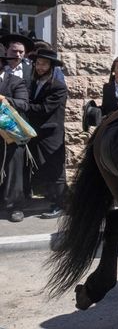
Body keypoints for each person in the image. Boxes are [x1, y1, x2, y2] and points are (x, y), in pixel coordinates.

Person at [26, 48, 68, 219]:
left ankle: (60, 204)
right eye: (38, 63)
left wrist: (22, 105)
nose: (40, 67)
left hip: (52, 133)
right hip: (38, 132)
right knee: (42, 167)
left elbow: (44, 109)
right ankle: (51, 199)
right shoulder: (35, 83)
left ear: (51, 66)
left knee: (55, 168)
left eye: (44, 64)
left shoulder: (58, 86)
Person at [0, 45, 29, 222]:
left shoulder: (15, 81)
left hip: (11, 135)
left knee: (13, 170)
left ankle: (15, 206)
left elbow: (24, 104)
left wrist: (4, 99)